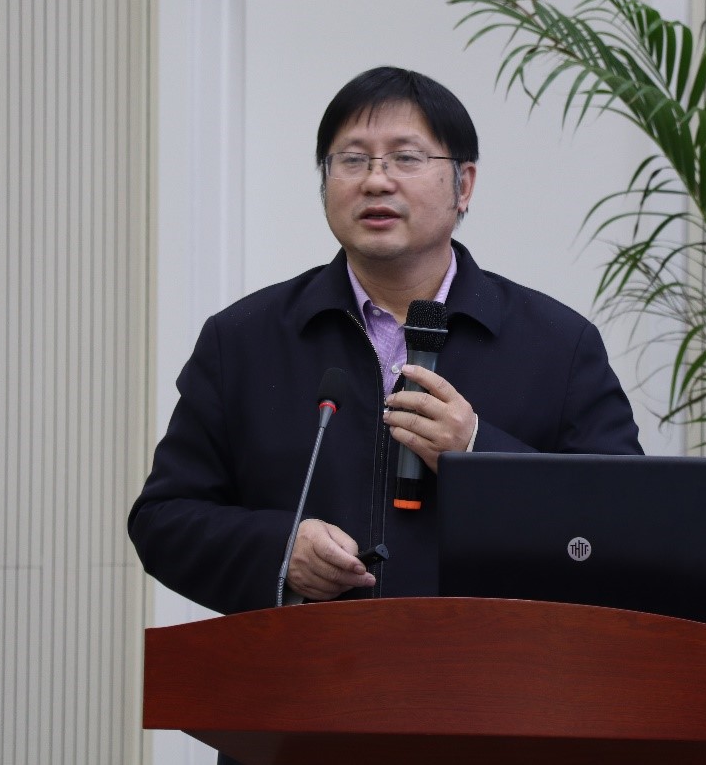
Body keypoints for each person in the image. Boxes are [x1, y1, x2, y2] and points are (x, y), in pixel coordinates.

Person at [128, 66, 642, 615]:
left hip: (490, 662)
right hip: (308, 663)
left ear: (464, 185)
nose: (376, 181)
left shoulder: (557, 346)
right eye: (352, 160)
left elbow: (627, 528)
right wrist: (280, 551)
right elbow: (164, 520)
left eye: (406, 157)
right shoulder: (243, 341)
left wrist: (477, 454)